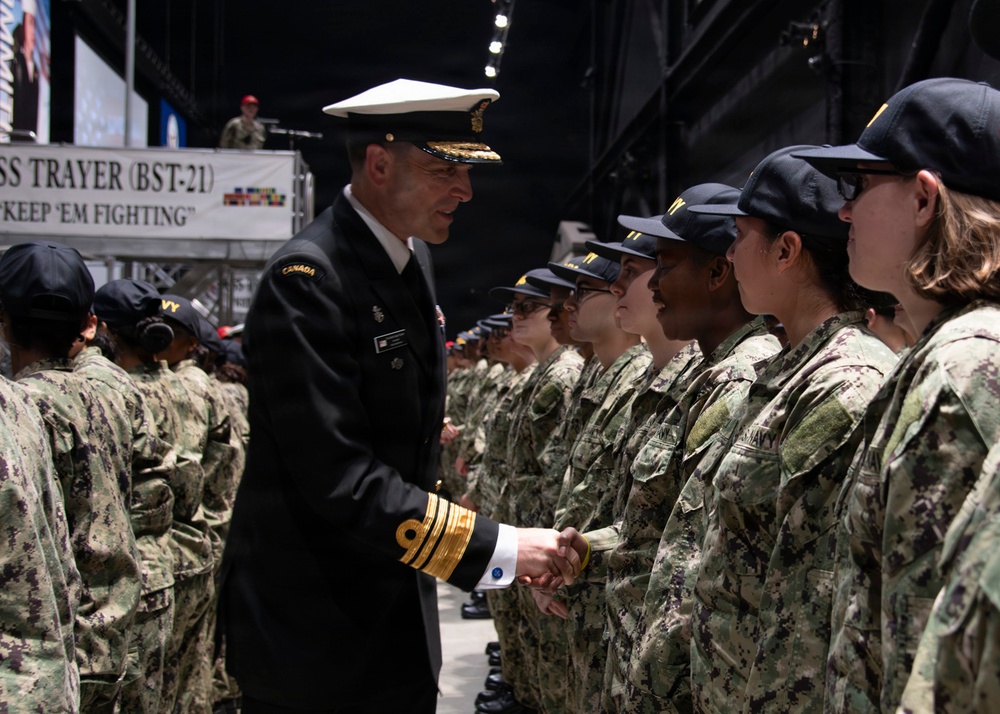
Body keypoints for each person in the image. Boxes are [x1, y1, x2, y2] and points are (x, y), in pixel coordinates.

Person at [219, 78, 584, 713]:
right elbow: (338, 476)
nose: (464, 191)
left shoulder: (407, 262)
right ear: (379, 165)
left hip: (387, 613)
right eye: (444, 168)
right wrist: (500, 550)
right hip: (316, 633)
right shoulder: (309, 280)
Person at [794, 77, 1000, 712]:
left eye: (859, 186)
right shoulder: (943, 356)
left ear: (922, 198)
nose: (843, 211)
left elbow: (926, 654)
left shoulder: (963, 371)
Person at [681, 146, 897, 712]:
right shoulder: (789, 369)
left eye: (739, 237)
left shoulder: (844, 382)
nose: (728, 255)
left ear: (786, 249)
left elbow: (810, 605)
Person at [0, 241, 142, 712]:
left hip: (53, 651)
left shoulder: (24, 406)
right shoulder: (111, 393)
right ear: (87, 325)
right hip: (107, 629)